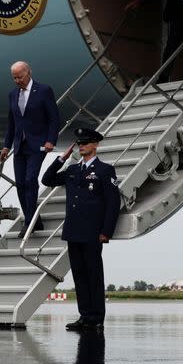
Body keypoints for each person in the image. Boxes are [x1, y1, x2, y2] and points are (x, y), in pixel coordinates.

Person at [42, 128, 120, 331]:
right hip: (74, 230)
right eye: (79, 143)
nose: (81, 145)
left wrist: (106, 231)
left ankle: (97, 317)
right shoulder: (73, 170)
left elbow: (113, 203)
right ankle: (85, 316)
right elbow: (47, 180)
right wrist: (61, 159)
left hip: (93, 231)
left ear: (96, 145)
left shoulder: (105, 170)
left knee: (93, 274)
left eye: (86, 142)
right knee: (79, 275)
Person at [0, 61, 60, 238]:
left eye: (20, 76)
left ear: (28, 73)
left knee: (30, 179)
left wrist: (51, 140)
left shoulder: (43, 90)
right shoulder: (13, 94)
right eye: (14, 78)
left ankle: (29, 222)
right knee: (20, 184)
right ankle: (35, 219)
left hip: (38, 144)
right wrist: (6, 145)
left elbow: (53, 118)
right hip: (20, 145)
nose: (17, 80)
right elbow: (12, 123)